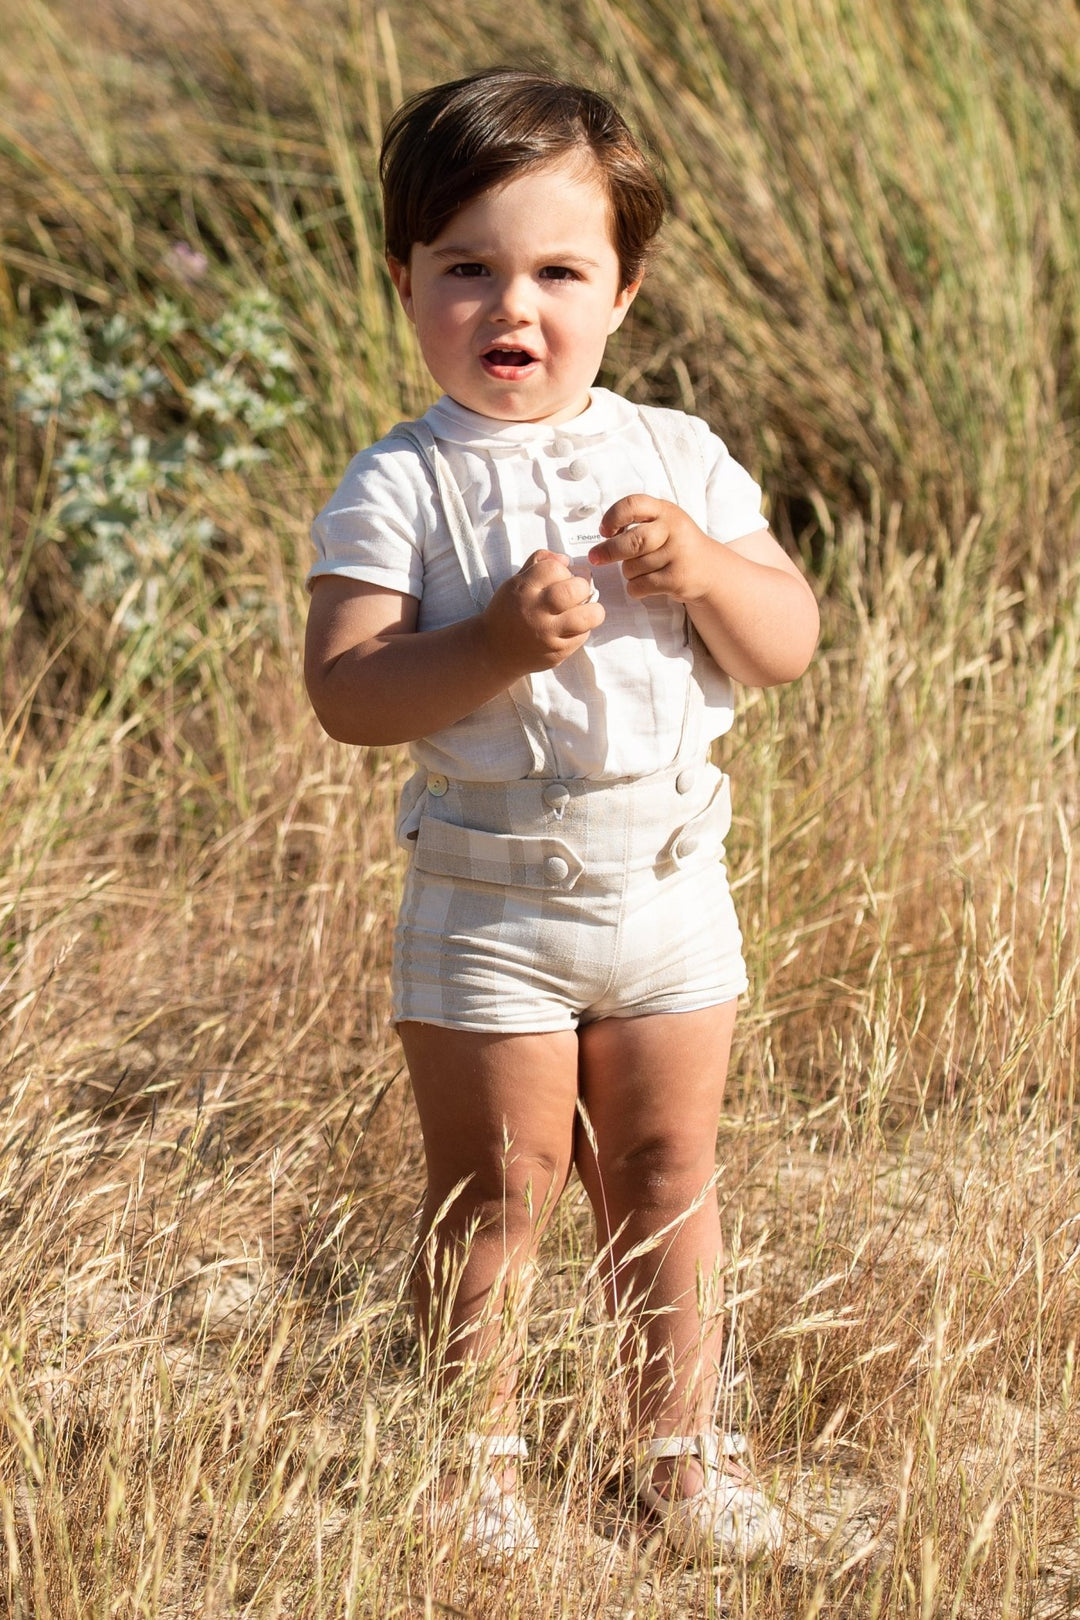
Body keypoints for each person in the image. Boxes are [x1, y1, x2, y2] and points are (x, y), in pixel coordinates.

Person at [304, 67, 819, 1565]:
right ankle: (473, 1460)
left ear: (624, 287)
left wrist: (710, 574)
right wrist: (491, 646)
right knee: (500, 1187)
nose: (508, 306)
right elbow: (348, 690)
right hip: (490, 897)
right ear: (404, 281)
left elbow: (784, 641)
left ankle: (682, 1450)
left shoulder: (681, 455)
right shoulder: (399, 482)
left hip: (666, 882)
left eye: (555, 271)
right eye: (464, 268)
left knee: (669, 1173)